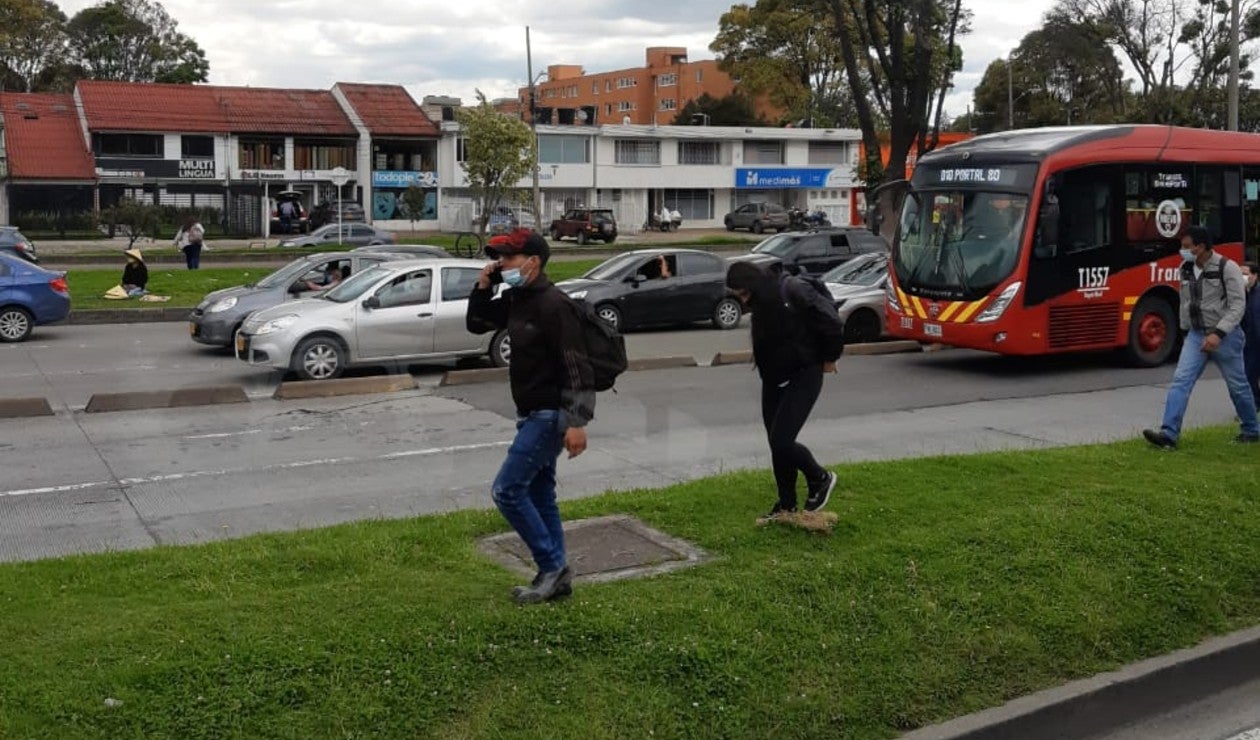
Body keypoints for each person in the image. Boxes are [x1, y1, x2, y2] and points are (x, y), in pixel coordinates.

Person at [466, 227, 595, 604]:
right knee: (540, 494)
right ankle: (557, 574)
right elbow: (477, 323)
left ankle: (551, 566)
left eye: (508, 258)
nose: (500, 264)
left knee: (506, 490)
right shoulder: (516, 298)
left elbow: (577, 367)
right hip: (530, 413)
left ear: (533, 263)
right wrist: (483, 285)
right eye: (499, 258)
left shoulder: (554, 305)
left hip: (550, 414)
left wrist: (577, 421)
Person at [726, 260, 846, 519]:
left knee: (782, 440)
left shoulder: (792, 290)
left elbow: (831, 322)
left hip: (805, 372)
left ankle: (820, 477)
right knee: (776, 444)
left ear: (754, 285)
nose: (744, 302)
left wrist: (830, 358)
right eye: (738, 297)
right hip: (773, 377)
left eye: (745, 294)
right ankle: (786, 505)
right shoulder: (762, 302)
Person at [1143, 226, 1258, 448]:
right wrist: (1185, 332)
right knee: (1180, 382)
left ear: (1201, 247)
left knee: (1238, 386)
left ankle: (1251, 430)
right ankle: (1168, 434)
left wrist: (1218, 333)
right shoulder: (1184, 268)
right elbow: (1185, 303)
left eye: (1187, 246)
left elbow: (1237, 306)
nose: (1182, 251)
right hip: (1196, 335)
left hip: (1226, 336)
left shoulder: (1228, 267)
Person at [1242, 261, 1260, 408]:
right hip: (1249, 342)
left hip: (1257, 340)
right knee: (1249, 375)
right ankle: (1254, 403)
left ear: (1255, 276)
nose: (1243, 277)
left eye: (1246, 274)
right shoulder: (1243, 294)